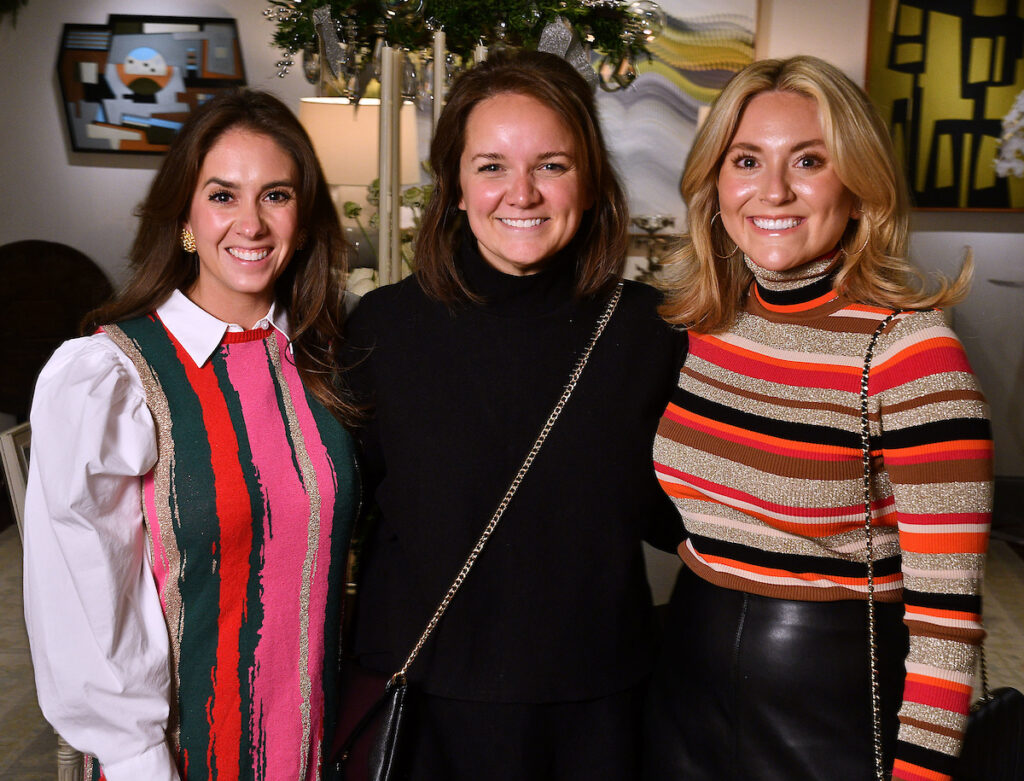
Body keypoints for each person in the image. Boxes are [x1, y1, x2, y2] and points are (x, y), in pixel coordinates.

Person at [341, 49, 686, 780]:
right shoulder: (382, 327)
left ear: (589, 183)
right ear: (456, 187)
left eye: (552, 165)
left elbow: (682, 520)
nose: (521, 193)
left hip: (597, 708)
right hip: (421, 697)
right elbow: (338, 506)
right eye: (492, 165)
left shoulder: (652, 332)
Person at [645, 55, 992, 781]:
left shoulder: (911, 356)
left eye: (809, 160)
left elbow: (946, 626)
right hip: (684, 678)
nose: (773, 190)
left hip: (830, 704)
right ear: (715, 184)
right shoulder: (708, 325)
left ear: (860, 185)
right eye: (746, 160)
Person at [22, 89, 360, 781]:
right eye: (222, 195)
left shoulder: (322, 358)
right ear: (185, 214)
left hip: (313, 744)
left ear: (303, 216)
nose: (251, 223)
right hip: (180, 758)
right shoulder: (112, 377)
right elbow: (84, 608)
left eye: (275, 195)